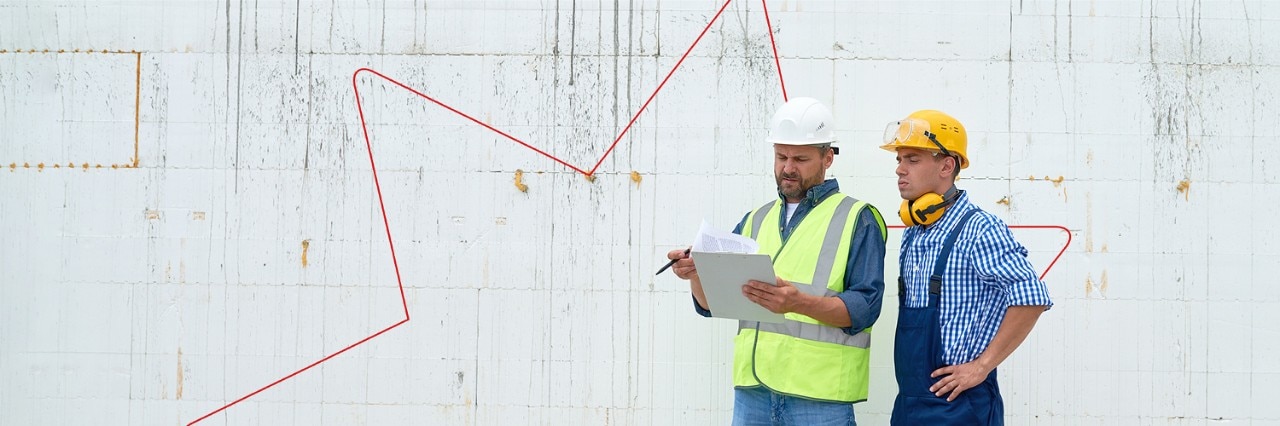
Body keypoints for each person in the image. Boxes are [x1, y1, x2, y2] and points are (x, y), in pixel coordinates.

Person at [666, 97, 887, 425]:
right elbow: (713, 304)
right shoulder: (756, 219)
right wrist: (696, 274)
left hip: (820, 398)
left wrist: (798, 302)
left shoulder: (858, 218)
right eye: (781, 156)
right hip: (753, 393)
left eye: (800, 158)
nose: (787, 167)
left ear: (828, 158)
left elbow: (865, 309)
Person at [879, 110, 1053, 425]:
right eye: (899, 159)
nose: (900, 170)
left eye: (913, 160)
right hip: (909, 405)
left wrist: (982, 366)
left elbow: (1032, 296)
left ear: (947, 165)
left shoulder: (979, 228)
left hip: (960, 407)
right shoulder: (914, 233)